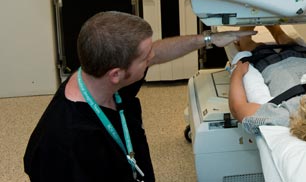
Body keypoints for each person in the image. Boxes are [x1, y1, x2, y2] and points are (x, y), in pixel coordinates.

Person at [24, 11, 255, 182]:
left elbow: (157, 52)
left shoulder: (99, 75)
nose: (153, 58)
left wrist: (208, 40)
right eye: (146, 57)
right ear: (116, 74)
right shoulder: (65, 145)